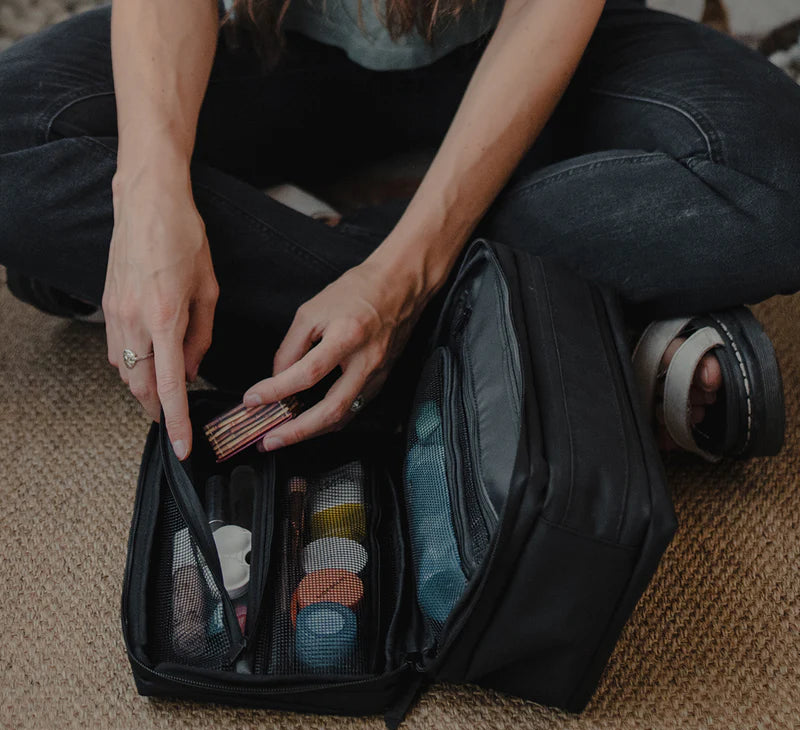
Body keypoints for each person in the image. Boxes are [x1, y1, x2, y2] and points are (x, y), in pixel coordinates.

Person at [0, 0, 798, 463]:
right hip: (276, 45)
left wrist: (402, 276)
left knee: (779, 180)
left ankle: (301, 274)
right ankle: (575, 336)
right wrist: (147, 200)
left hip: (520, 49)